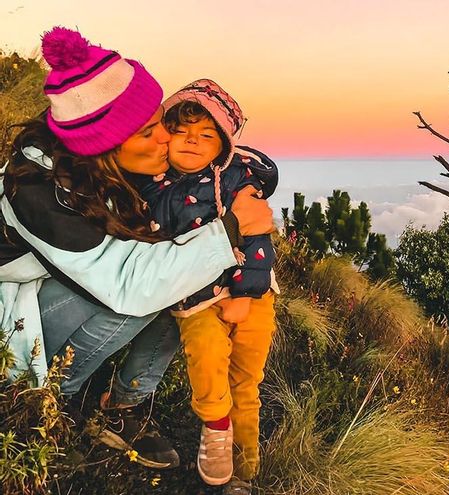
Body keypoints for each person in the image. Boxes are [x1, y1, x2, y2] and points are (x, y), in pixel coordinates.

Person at [0, 27, 274, 470]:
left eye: (161, 122)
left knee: (179, 275)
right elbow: (128, 284)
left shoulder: (110, 165)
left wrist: (246, 181)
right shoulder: (40, 192)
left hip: (68, 288)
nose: (168, 139)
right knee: (156, 284)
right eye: (151, 132)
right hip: (16, 315)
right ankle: (49, 405)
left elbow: (222, 164)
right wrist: (230, 231)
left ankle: (122, 408)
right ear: (108, 143)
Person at [131, 79, 277, 492]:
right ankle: (216, 430)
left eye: (207, 135)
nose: (193, 141)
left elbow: (258, 237)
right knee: (208, 362)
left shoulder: (234, 183)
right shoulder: (152, 184)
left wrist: (246, 295)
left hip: (251, 295)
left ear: (223, 145)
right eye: (182, 131)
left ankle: (246, 462)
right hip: (193, 299)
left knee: (247, 378)